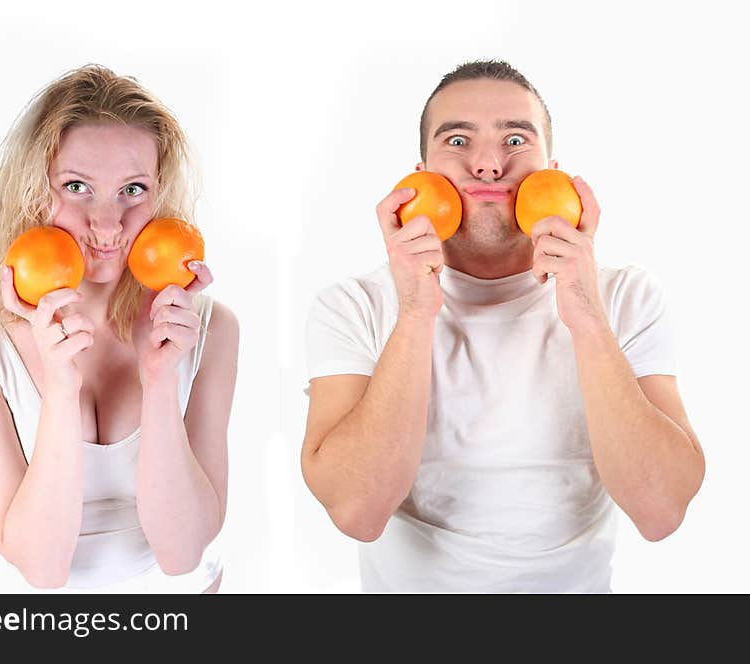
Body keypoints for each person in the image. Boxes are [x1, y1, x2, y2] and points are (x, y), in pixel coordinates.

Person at [301, 60, 705, 593]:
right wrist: (416, 315)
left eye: (515, 139)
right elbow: (357, 510)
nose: (489, 165)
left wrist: (586, 316)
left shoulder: (626, 297)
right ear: (419, 172)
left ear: (553, 169)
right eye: (458, 141)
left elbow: (661, 510)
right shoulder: (352, 306)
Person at [0, 65, 238, 592]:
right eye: (77, 186)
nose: (107, 224)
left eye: (132, 189)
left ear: (159, 195)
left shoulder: (209, 328)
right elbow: (42, 567)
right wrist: (60, 385)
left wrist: (161, 377)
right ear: (33, 194)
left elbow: (183, 553)